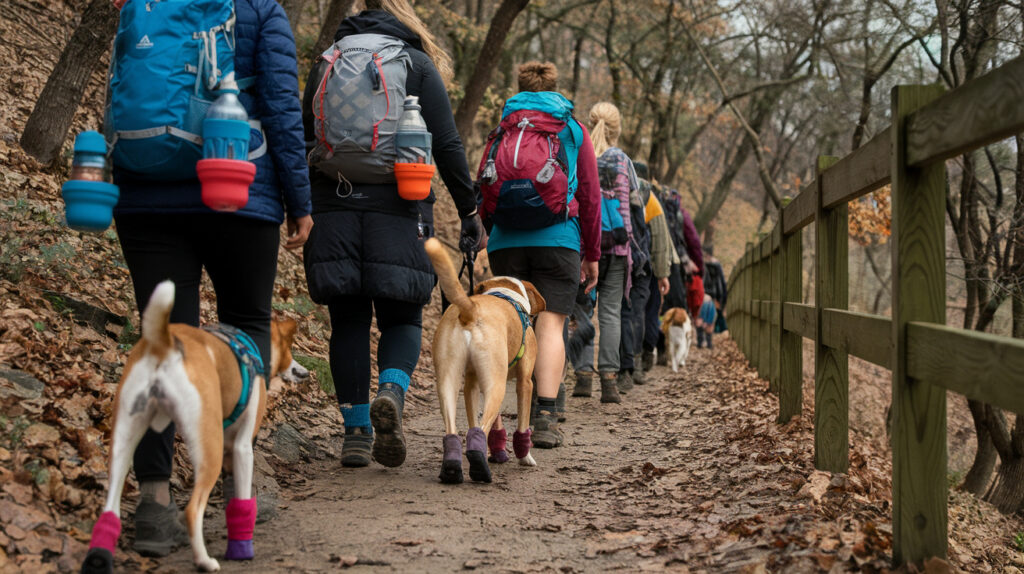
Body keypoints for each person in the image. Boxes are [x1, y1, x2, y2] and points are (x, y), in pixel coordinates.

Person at [110, 0, 312, 556]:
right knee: (246, 330)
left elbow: (122, 89)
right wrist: (299, 200)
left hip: (146, 193)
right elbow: (279, 108)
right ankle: (234, 486)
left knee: (162, 340)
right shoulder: (259, 9)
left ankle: (152, 503)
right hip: (237, 187)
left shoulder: (143, 4)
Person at [301, 0, 483, 468]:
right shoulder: (416, 63)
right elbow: (445, 143)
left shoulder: (329, 59)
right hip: (401, 205)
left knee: (348, 320)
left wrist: (297, 207)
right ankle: (392, 393)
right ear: (407, 19)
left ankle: (357, 433)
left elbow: (304, 136)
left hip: (333, 203)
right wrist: (469, 209)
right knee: (402, 317)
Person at [484, 61, 601, 448]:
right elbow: (589, 193)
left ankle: (498, 418)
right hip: (558, 240)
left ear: (519, 87)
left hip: (506, 241)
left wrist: (490, 233)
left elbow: (485, 182)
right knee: (550, 325)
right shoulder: (571, 128)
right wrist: (592, 252)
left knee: (507, 326)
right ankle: (546, 417)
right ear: (555, 87)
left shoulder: (504, 126)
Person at [589, 102, 638, 402]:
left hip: (587, 246)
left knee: (580, 312)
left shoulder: (581, 155)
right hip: (618, 245)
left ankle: (581, 377)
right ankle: (609, 381)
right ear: (616, 129)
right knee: (610, 313)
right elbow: (633, 204)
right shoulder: (622, 160)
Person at [703, 244, 729, 333]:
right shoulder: (716, 265)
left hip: (709, 295)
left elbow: (718, 282)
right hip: (717, 295)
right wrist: (722, 298)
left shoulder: (706, 265)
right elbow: (721, 283)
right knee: (717, 316)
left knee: (713, 316)